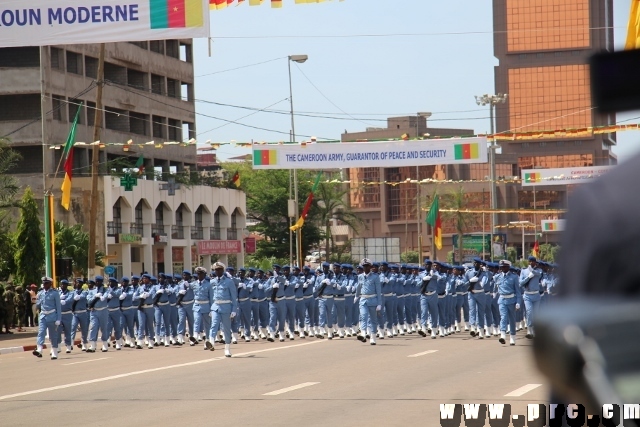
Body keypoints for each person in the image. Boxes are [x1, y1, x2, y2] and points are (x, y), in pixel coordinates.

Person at [209, 261, 238, 357]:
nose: (217, 271)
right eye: (216, 270)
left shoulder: (229, 282)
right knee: (214, 324)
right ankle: (211, 342)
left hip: (226, 307)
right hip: (215, 307)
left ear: (223, 270)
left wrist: (234, 310)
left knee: (226, 329)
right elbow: (210, 296)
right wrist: (210, 309)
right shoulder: (212, 282)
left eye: (219, 269)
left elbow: (234, 297)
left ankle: (227, 349)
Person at [354, 259, 382, 345]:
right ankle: (363, 333)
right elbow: (359, 287)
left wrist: (379, 303)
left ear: (370, 267)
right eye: (364, 266)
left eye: (367, 266)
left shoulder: (375, 277)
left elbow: (378, 290)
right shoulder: (360, 276)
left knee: (373, 319)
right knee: (363, 316)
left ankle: (373, 337)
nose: (365, 268)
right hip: (363, 299)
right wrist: (356, 296)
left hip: (373, 299)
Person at [494, 260, 522, 346]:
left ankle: (512, 337)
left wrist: (518, 302)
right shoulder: (497, 277)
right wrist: (494, 293)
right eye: (501, 267)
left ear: (508, 267)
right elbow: (496, 287)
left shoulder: (514, 277)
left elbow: (518, 291)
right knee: (503, 317)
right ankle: (502, 335)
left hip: (512, 300)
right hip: (502, 300)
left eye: (505, 267)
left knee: (512, 319)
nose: (503, 268)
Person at [32, 277, 61, 359]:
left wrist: (59, 319)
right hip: (43, 316)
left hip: (52, 316)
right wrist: (36, 304)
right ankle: (39, 350)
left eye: (46, 283)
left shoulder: (55, 293)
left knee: (53, 335)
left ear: (50, 284)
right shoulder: (40, 293)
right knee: (41, 332)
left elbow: (58, 307)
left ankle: (54, 351)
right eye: (43, 283)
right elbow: (38, 304)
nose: (44, 285)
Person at [519, 256, 542, 339]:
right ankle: (529, 329)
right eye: (530, 261)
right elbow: (521, 283)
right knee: (529, 312)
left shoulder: (538, 270)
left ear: (535, 263)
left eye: (533, 261)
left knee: (536, 313)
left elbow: (539, 274)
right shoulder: (523, 271)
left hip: (536, 295)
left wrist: (532, 271)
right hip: (527, 295)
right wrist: (528, 277)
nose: (531, 263)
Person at [192, 267, 213, 349]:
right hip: (197, 305)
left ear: (204, 275)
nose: (199, 275)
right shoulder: (194, 284)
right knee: (197, 320)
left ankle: (207, 340)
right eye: (198, 274)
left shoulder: (209, 284)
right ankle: (195, 335)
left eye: (201, 273)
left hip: (206, 306)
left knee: (207, 325)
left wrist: (212, 309)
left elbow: (211, 298)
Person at [87, 275, 110, 353]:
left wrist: (103, 296)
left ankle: (104, 344)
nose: (97, 282)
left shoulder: (105, 290)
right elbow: (89, 300)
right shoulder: (92, 291)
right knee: (93, 327)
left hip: (103, 311)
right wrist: (95, 296)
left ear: (101, 282)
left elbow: (106, 295)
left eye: (99, 281)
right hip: (94, 311)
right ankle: (93, 345)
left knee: (104, 328)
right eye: (96, 281)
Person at [175, 270, 195, 346]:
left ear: (189, 276)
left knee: (191, 322)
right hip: (182, 304)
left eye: (186, 275)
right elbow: (176, 294)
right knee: (181, 321)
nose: (185, 277)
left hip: (190, 304)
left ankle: (192, 338)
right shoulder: (180, 284)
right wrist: (179, 293)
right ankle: (180, 338)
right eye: (183, 275)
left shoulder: (193, 284)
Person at [71, 278, 89, 351]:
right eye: (76, 283)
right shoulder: (73, 292)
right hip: (75, 313)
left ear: (81, 284)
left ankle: (84, 343)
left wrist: (79, 297)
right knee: (73, 327)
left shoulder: (84, 292)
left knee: (84, 329)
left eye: (78, 283)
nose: (77, 284)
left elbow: (84, 297)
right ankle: (71, 343)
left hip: (83, 312)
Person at [57, 279, 74, 353]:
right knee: (58, 331)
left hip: (67, 314)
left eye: (64, 284)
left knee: (67, 330)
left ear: (67, 285)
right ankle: (58, 346)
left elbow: (70, 299)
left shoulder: (70, 293)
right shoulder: (58, 293)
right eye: (61, 284)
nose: (62, 286)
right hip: (59, 314)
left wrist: (65, 301)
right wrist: (59, 298)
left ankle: (68, 346)